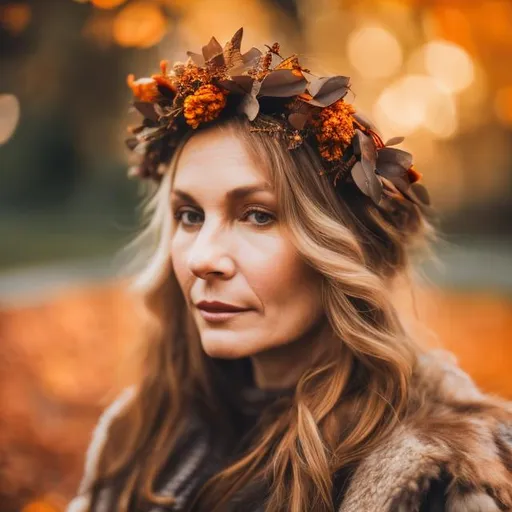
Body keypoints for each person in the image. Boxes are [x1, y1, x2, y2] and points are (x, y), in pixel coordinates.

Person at [67, 28, 512, 512]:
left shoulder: (440, 480)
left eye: (258, 215)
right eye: (190, 215)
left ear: (347, 250)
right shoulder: (137, 434)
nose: (202, 259)